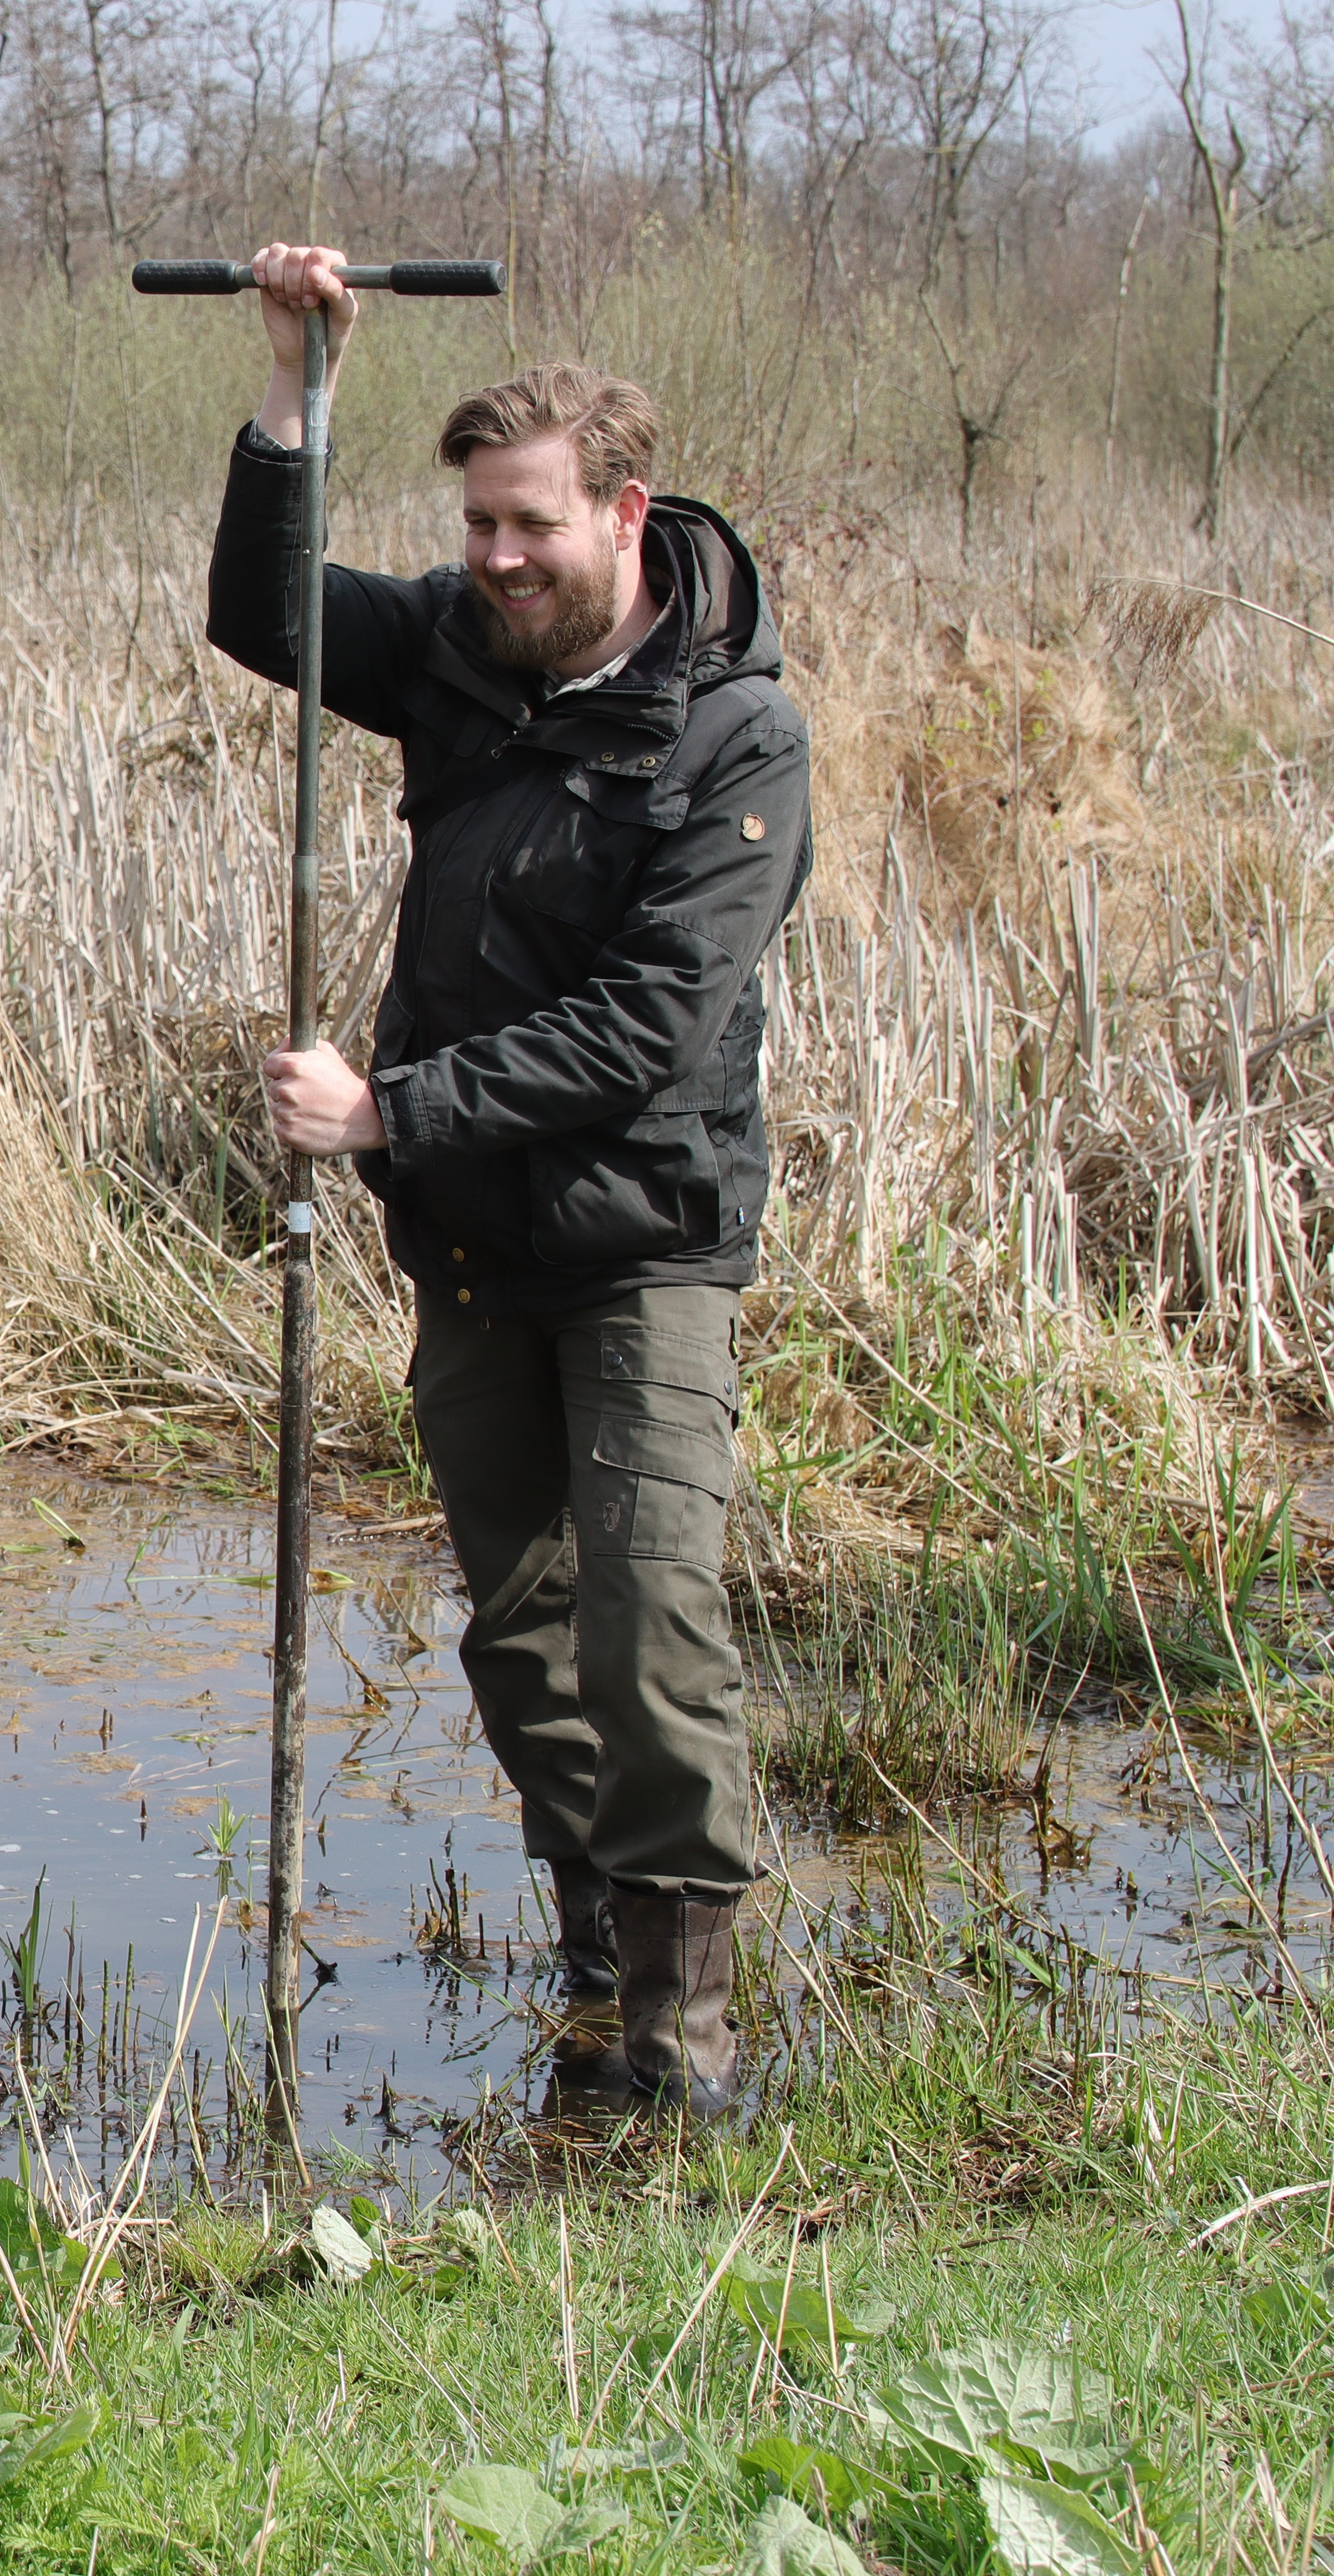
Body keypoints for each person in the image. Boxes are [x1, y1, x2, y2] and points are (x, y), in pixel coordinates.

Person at [210, 246, 812, 2114]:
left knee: (648, 1622)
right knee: (519, 1628)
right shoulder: (469, 663)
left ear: (624, 513)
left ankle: (683, 2032)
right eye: (472, 523)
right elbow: (264, 615)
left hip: (644, 1251)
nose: (491, 558)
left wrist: (386, 1110)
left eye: (528, 526)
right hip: (472, 1253)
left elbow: (647, 1026)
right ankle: (587, 1943)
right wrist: (298, 387)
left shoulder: (733, 734)